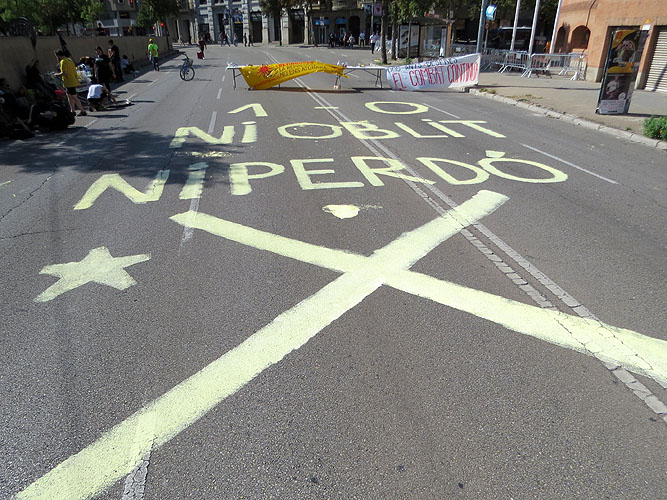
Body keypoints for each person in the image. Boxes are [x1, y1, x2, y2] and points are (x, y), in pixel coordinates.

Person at [54, 49, 86, 116]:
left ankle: (82, 110)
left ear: (58, 55)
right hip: (72, 80)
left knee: (74, 96)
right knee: (69, 96)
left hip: (69, 82)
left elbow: (64, 73)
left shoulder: (63, 62)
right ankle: (72, 110)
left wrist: (57, 74)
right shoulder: (69, 60)